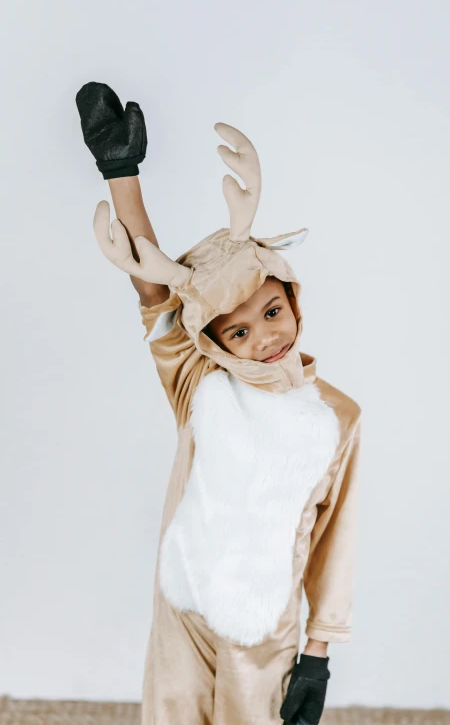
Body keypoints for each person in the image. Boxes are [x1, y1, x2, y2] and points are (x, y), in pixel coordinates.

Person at [75, 82, 362, 725]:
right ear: (212, 340)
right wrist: (122, 174)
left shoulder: (339, 417)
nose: (264, 337)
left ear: (291, 298)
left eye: (271, 311)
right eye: (237, 330)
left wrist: (318, 652)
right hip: (183, 614)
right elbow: (154, 291)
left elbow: (335, 538)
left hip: (264, 637)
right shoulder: (199, 386)